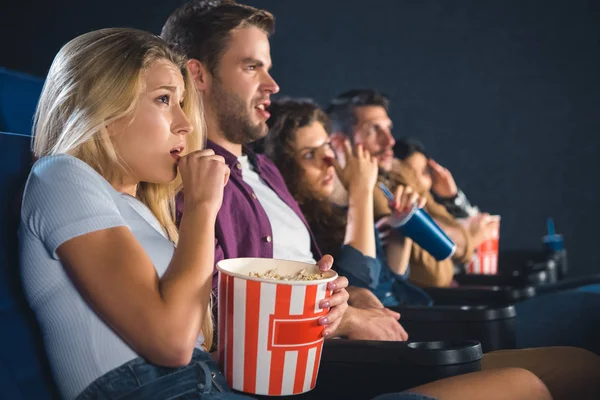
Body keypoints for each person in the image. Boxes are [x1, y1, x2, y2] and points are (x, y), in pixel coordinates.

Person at [160, 1, 557, 399]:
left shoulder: (267, 171)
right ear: (198, 75)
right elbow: (221, 314)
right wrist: (346, 317)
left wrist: (349, 297)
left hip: (360, 349)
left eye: (267, 66)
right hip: (315, 370)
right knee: (536, 381)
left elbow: (325, 276)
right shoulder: (192, 180)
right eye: (251, 67)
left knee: (569, 365)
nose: (272, 84)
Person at [19, 28, 260, 399]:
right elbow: (171, 344)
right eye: (164, 99)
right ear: (102, 106)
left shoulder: (143, 212)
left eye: (181, 102)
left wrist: (311, 312)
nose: (186, 124)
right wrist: (201, 207)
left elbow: (193, 343)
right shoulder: (60, 176)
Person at [259, 97, 432, 308]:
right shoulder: (294, 224)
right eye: (310, 154)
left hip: (403, 312)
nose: (328, 159)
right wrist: (361, 191)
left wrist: (400, 232)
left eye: (326, 146)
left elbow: (389, 281)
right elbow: (360, 291)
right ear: (282, 168)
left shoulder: (335, 206)